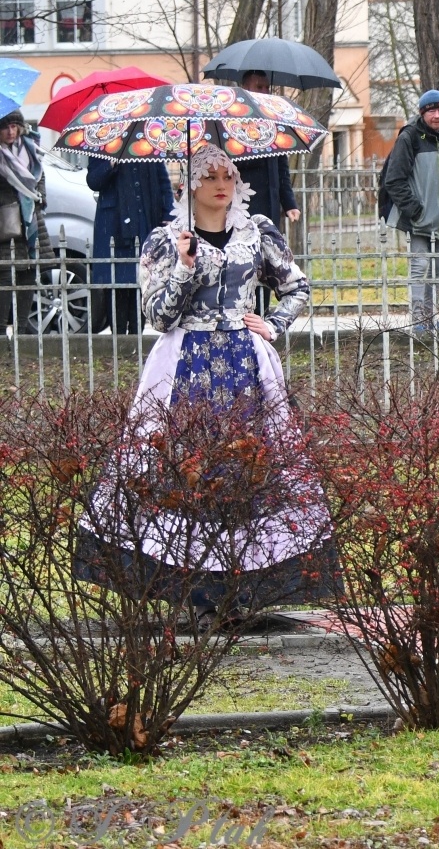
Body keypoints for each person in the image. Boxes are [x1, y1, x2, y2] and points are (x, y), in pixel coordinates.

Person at [74, 143, 334, 626]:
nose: (221, 184)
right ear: (190, 184)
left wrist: (272, 323)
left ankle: (243, 588)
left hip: (244, 366)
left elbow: (297, 286)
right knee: (182, 468)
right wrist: (185, 267)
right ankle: (190, 593)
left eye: (228, 176)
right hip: (183, 366)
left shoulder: (257, 235)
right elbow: (158, 315)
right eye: (210, 175)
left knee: (249, 467)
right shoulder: (164, 240)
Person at [383, 89, 439, 329]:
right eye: (432, 111)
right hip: (419, 219)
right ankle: (418, 320)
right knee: (419, 267)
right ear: (422, 113)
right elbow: (394, 179)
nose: (437, 116)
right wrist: (414, 210)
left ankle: (431, 317)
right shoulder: (410, 138)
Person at [87, 157, 173, 333]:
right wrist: (111, 163)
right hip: (114, 226)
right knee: (116, 285)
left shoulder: (145, 144)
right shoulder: (103, 143)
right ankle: (118, 339)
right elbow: (94, 181)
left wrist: (167, 213)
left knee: (141, 282)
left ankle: (136, 337)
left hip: (145, 220)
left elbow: (163, 181)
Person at [0, 110, 55, 334]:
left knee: (28, 275)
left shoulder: (30, 149)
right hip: (6, 226)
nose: (11, 131)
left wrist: (37, 198)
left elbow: (40, 179)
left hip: (31, 224)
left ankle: (22, 333)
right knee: (4, 279)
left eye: (14, 126)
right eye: (5, 127)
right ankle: (2, 333)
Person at [234, 71, 301, 230]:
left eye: (267, 87)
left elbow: (281, 166)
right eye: (259, 87)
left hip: (271, 208)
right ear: (245, 88)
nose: (264, 92)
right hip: (245, 206)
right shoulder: (235, 120)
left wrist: (289, 203)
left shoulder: (274, 120)